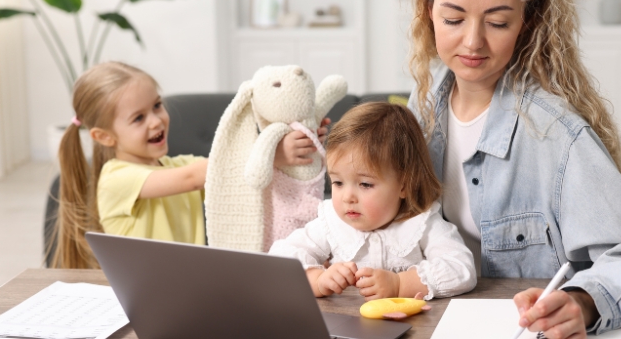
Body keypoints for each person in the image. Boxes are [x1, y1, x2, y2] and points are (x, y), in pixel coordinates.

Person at [407, 0, 621, 338]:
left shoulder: (555, 134)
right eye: (453, 18)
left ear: (527, 23)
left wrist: (584, 302)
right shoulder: (421, 121)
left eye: (497, 22)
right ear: (427, 10)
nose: (472, 42)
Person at [52, 62, 325, 270]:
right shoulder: (115, 177)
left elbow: (238, 181)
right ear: (103, 136)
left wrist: (302, 138)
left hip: (187, 286)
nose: (156, 121)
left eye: (157, 106)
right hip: (142, 292)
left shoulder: (178, 165)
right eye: (138, 118)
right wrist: (271, 153)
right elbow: (200, 176)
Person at [269, 102, 476, 301]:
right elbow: (280, 258)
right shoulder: (331, 223)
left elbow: (462, 269)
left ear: (403, 185)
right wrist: (318, 279)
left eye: (365, 184)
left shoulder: (421, 223)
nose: (347, 197)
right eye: (338, 182)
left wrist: (400, 284)